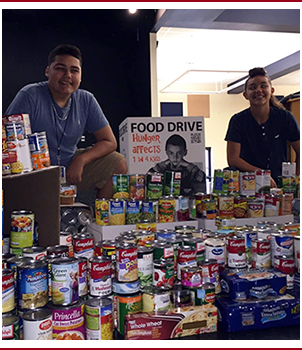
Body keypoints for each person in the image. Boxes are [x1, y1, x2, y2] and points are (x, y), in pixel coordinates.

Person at [5, 44, 128, 198]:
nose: (68, 75)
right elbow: (8, 142)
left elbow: (109, 141)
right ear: (48, 71)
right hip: (34, 172)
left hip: (70, 169)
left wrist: (81, 160)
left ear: (81, 76)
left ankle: (98, 218)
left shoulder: (86, 100)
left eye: (74, 70)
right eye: (60, 68)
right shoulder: (30, 95)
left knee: (118, 162)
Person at [225, 67, 300, 187]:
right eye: (253, 88)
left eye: (263, 86)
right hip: (248, 187)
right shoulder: (238, 121)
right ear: (245, 95)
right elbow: (233, 158)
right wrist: (261, 174)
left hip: (279, 187)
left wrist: (295, 181)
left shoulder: (285, 118)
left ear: (272, 91)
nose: (258, 90)